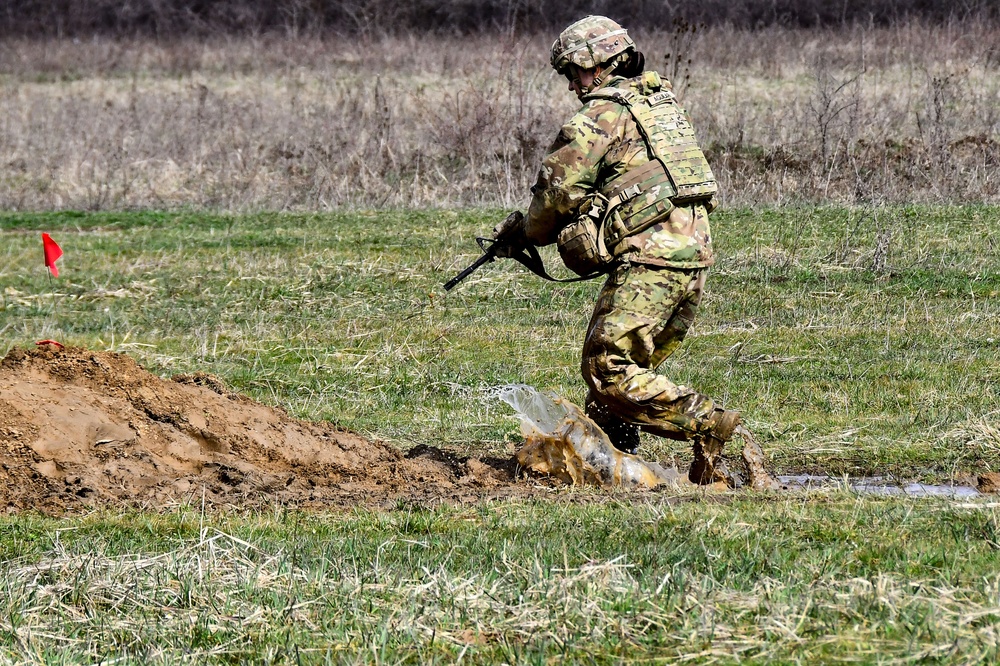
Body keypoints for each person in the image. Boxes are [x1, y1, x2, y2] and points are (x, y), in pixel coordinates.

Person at [501, 15, 767, 486]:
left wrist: (525, 232)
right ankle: (617, 468)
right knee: (619, 385)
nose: (572, 85)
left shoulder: (599, 116)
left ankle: (714, 425)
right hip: (693, 255)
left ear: (599, 62)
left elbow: (557, 197)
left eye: (574, 72)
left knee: (608, 368)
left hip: (652, 256)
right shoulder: (659, 105)